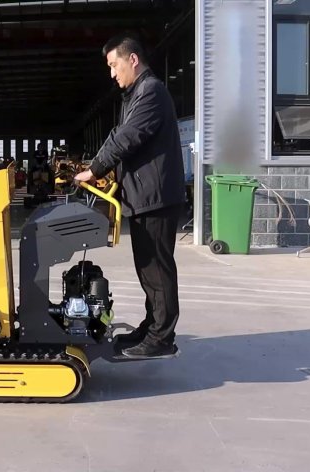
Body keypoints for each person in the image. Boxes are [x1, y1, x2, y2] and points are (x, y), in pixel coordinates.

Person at [74, 32, 185, 359]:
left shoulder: (151, 92)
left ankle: (161, 338)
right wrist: (103, 170)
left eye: (114, 65)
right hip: (145, 195)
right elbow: (118, 136)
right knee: (148, 269)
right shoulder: (139, 93)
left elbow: (128, 137)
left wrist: (96, 169)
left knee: (157, 269)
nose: (112, 73)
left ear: (132, 59)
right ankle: (152, 327)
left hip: (155, 197)